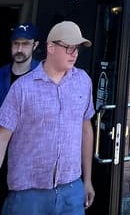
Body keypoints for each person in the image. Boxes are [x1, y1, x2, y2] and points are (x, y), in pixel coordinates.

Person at [0, 21, 95, 214]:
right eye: (69, 47)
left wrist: (87, 180)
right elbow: (2, 137)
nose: (74, 53)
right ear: (51, 47)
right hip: (28, 193)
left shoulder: (83, 82)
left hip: (71, 189)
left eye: (77, 48)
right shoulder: (22, 88)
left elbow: (86, 129)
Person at [0, 24, 41, 209]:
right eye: (16, 43)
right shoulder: (1, 73)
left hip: (29, 153)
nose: (19, 49)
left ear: (35, 45)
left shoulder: (42, 74)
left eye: (25, 44)